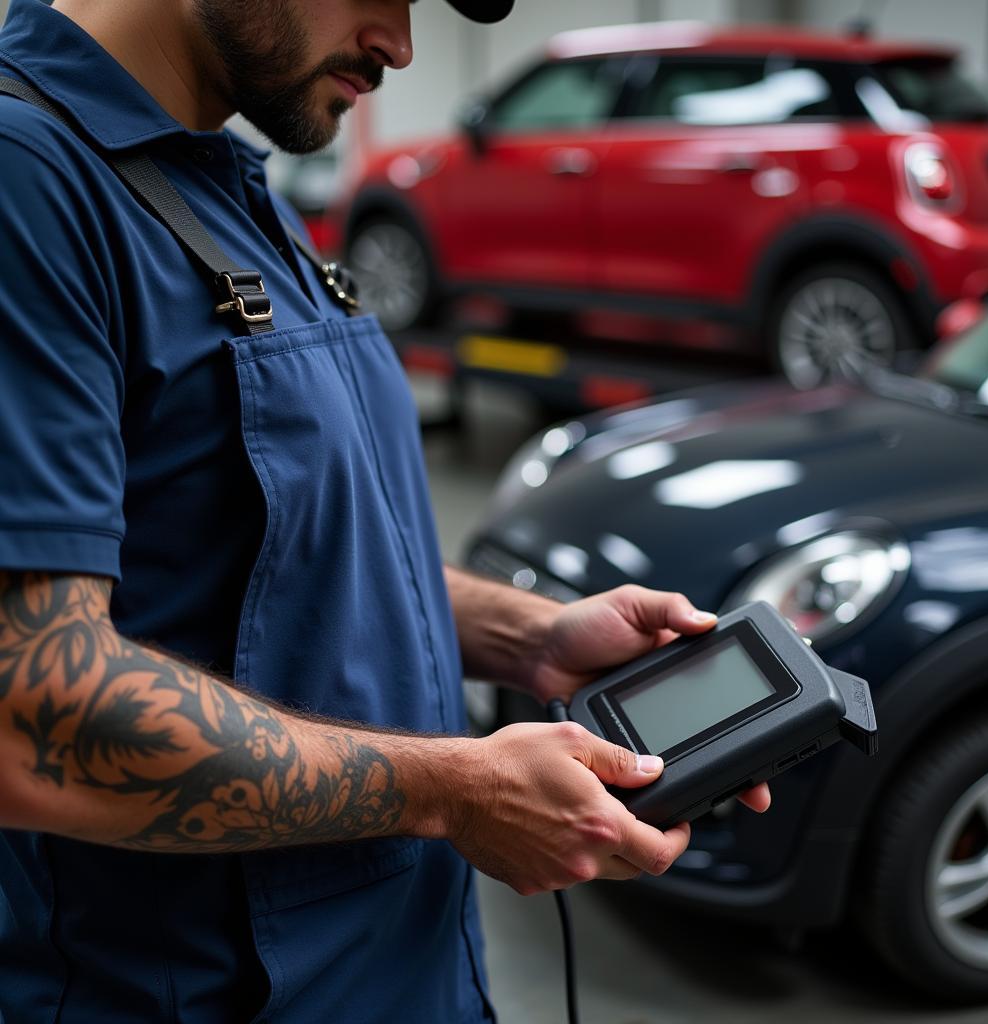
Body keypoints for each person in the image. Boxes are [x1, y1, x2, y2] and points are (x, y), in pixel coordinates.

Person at [0, 0, 770, 1020]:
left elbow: (277, 547)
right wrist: (451, 790)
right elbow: (30, 714)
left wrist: (528, 637)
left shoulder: (224, 178)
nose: (399, 43)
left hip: (406, 975)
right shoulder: (29, 181)